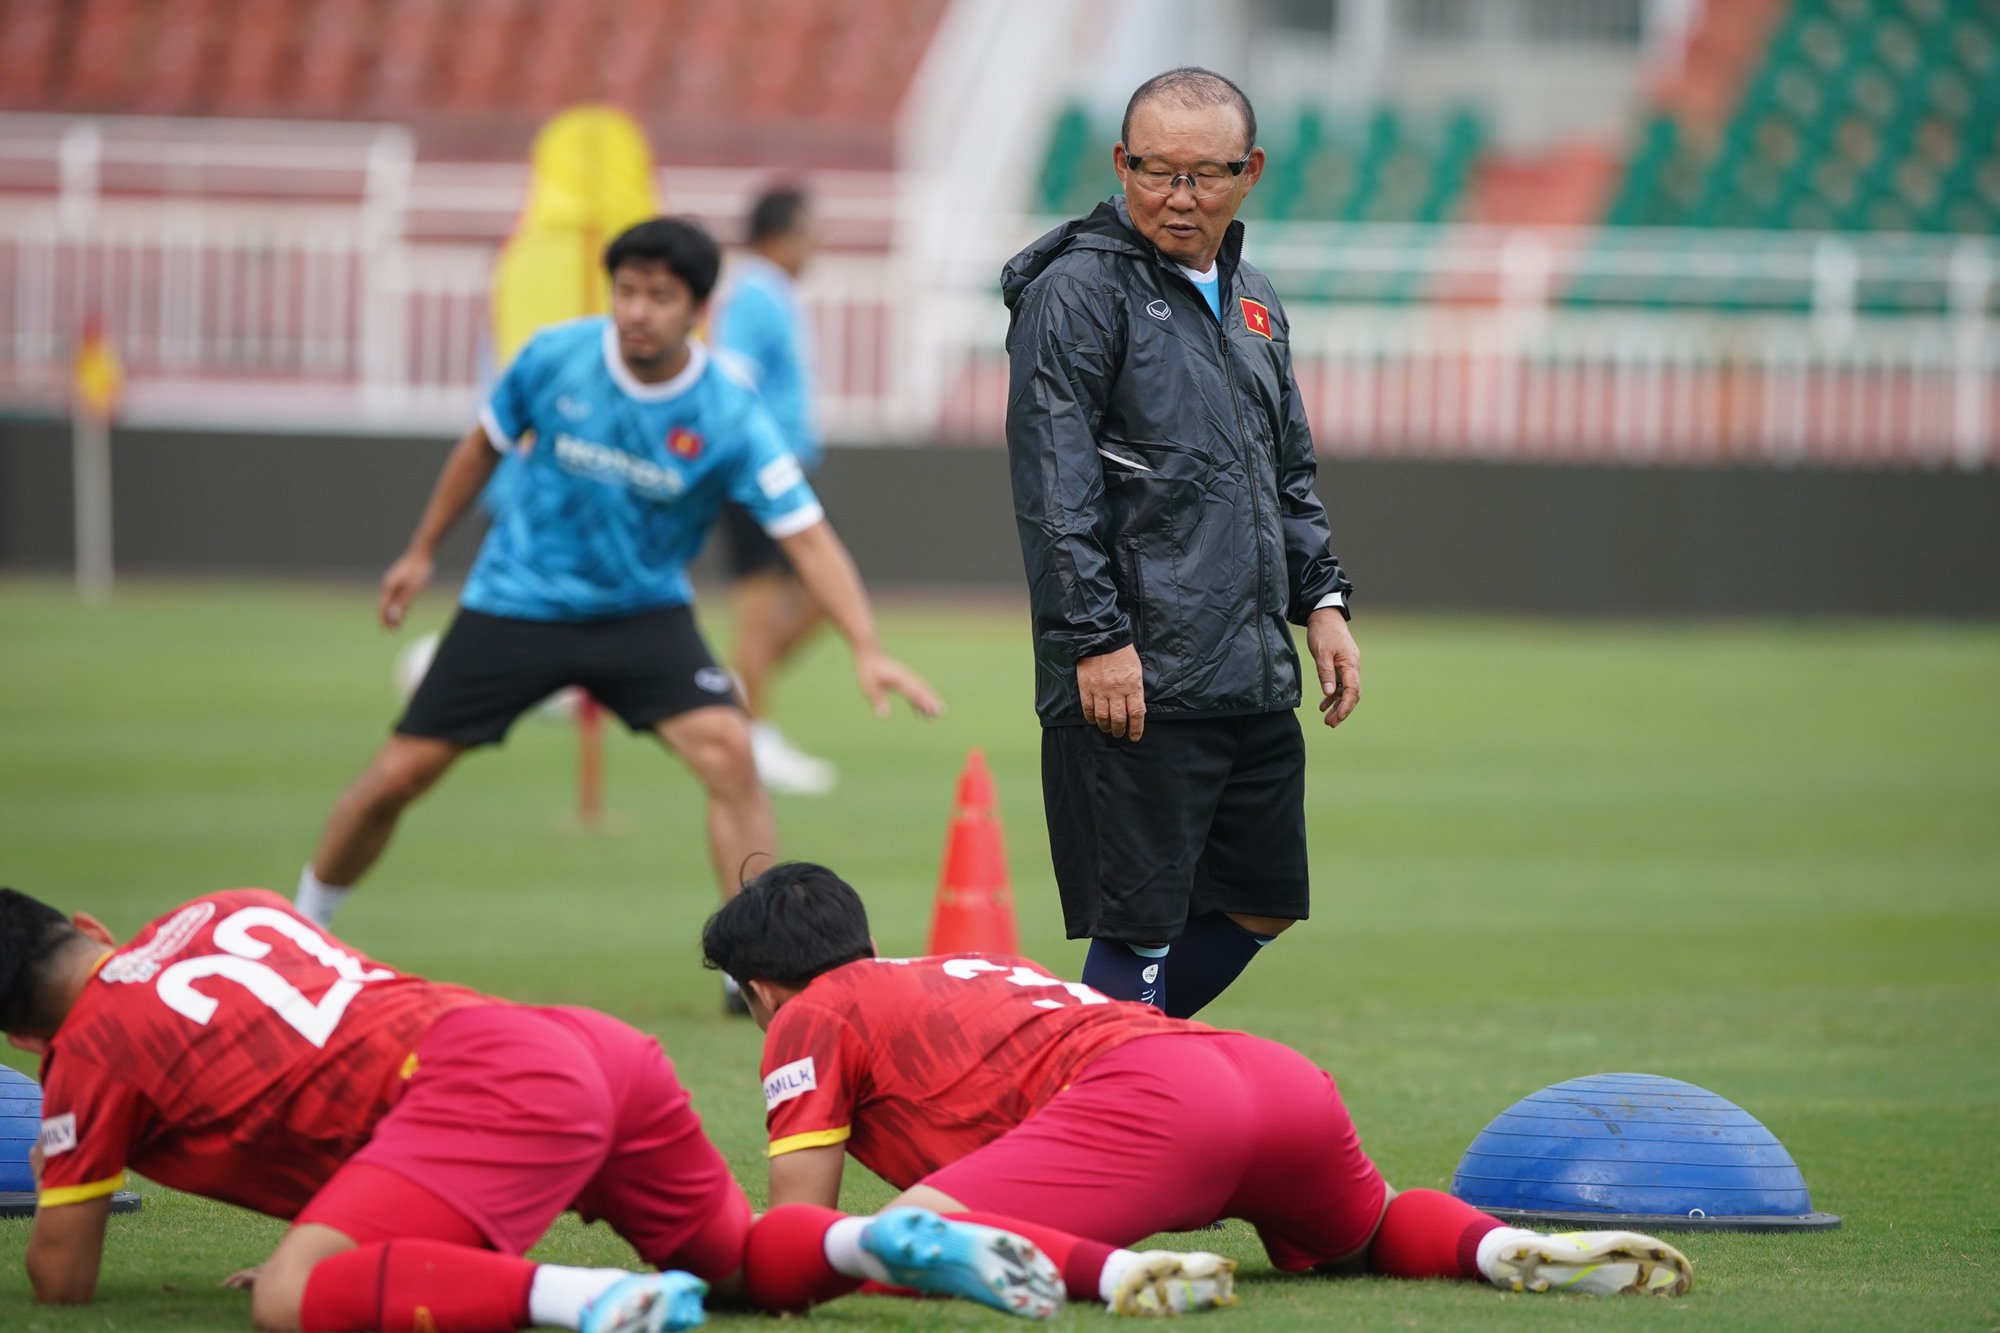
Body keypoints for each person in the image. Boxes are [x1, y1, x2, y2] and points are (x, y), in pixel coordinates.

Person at [0, 882, 1203, 1329]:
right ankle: (875, 1245)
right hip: (580, 1047)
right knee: (743, 1262)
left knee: (292, 1294)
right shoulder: (225, 906)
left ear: (13, 1036)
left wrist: (326, 1251)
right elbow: (308, 1061)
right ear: (91, 924)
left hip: (489, 1094)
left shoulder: (85, 1059)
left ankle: (593, 1303)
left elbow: (61, 1280)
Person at [292, 217, 939, 981]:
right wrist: (422, 549)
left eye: (659, 296)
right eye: (626, 290)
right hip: (518, 602)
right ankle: (302, 926)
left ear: (696, 308)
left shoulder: (727, 410)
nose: (637, 310)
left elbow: (808, 537)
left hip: (642, 614)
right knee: (399, 773)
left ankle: (751, 969)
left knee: (731, 754)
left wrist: (865, 645)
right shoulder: (554, 357)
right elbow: (481, 448)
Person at [702, 863, 1696, 1301]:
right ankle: (1504, 1250)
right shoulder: (940, 970)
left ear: (756, 986)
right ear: (864, 940)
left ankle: (1120, 1276)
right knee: (1361, 1236)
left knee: (906, 1234)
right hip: (1271, 1078)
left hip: (1161, 1107)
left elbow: (806, 1226)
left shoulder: (807, 1013)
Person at [1001, 68, 1358, 1018]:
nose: (1179, 196)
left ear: (1252, 173)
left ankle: (1089, 1071)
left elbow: (1285, 470)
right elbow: (1054, 489)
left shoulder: (1256, 301)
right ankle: (1096, 1108)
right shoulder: (1077, 292)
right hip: (1134, 673)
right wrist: (1095, 640)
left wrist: (1320, 602)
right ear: (1121, 164)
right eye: (1156, 171)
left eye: (1205, 174)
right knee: (1140, 921)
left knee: (1263, 901)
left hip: (1247, 667)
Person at [710, 185, 837, 796]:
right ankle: (753, 739)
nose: (814, 245)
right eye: (807, 231)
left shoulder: (773, 293)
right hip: (759, 473)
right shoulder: (755, 294)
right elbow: (733, 379)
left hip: (783, 471)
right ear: (778, 234)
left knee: (820, 598)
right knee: (762, 613)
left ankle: (737, 695)